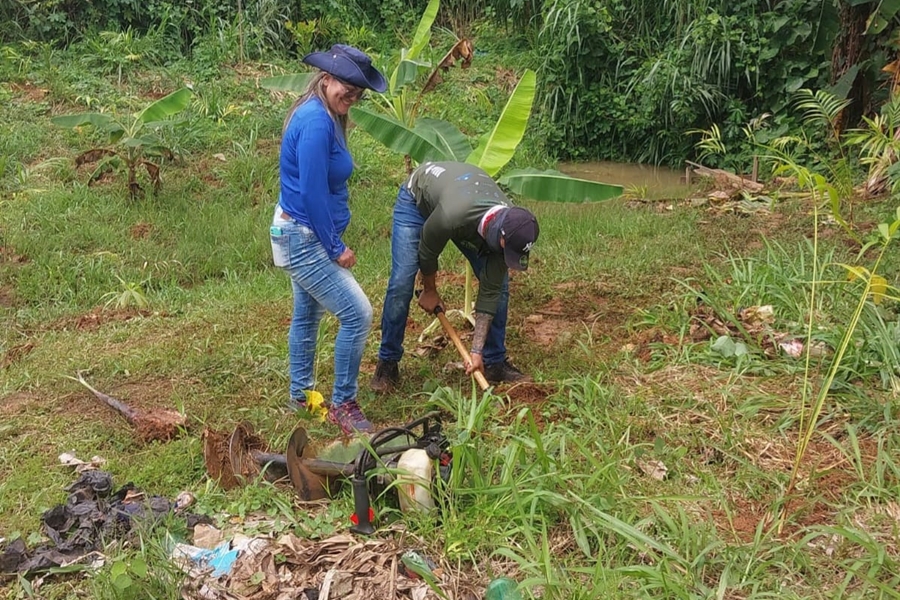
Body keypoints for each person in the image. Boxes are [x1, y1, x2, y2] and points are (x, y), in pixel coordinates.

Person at [269, 44, 387, 435]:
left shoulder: (327, 114)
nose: (351, 99)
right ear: (326, 79)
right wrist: (336, 248)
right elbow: (312, 194)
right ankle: (343, 405)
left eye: (357, 94)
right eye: (346, 90)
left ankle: (301, 397)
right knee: (358, 313)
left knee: (307, 314)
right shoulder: (317, 122)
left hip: (302, 231)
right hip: (304, 237)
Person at [371, 161, 540, 392]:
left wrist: (476, 351)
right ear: (500, 238)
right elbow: (427, 250)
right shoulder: (454, 215)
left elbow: (491, 290)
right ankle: (387, 362)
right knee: (402, 282)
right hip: (418, 201)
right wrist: (430, 290)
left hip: (462, 206)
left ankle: (494, 362)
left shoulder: (512, 228)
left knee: (499, 287)